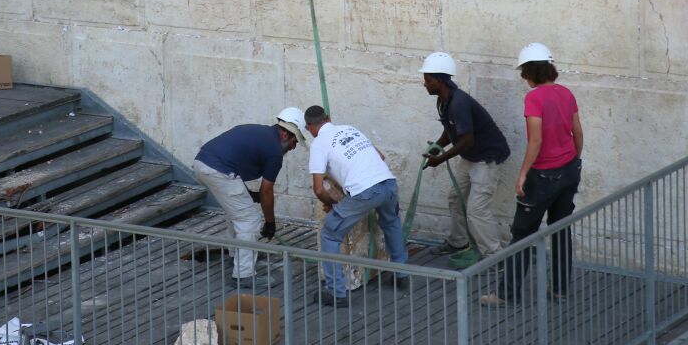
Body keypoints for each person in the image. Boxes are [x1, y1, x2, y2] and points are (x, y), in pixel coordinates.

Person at [485, 42, 583, 306]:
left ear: (529, 71)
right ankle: (560, 289)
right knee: (561, 229)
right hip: (569, 170)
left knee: (522, 233)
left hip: (544, 175)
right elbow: (577, 132)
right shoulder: (566, 93)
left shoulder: (534, 98)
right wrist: (574, 160)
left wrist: (522, 175)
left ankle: (507, 294)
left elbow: (536, 140)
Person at [305, 105, 410, 306]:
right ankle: (402, 274)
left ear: (310, 127)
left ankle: (336, 293)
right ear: (328, 118)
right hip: (388, 184)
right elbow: (380, 157)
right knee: (391, 223)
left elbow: (318, 189)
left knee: (329, 233)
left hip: (365, 192)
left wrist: (332, 205)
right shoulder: (350, 129)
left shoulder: (319, 144)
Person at [192, 107, 307, 284]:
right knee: (249, 220)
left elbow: (234, 162)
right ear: (284, 134)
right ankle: (244, 275)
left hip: (202, 164)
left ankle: (237, 254)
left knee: (238, 213)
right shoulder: (275, 152)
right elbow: (266, 191)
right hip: (218, 171)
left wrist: (250, 195)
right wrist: (270, 223)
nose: (294, 146)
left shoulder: (256, 131)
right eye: (295, 140)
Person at [419, 51, 510, 258]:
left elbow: (467, 139)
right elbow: (451, 131)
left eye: (428, 80)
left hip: (487, 158)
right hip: (471, 156)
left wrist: (440, 159)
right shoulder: (444, 100)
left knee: (477, 210)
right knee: (455, 198)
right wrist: (437, 146)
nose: (424, 84)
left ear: (440, 80)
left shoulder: (458, 103)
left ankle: (495, 257)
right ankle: (458, 242)